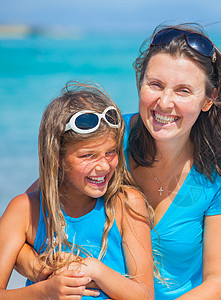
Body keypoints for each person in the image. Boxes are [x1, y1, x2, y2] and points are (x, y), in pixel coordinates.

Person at [17, 23, 221, 299]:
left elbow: (217, 284)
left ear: (209, 99)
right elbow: (25, 219)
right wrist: (39, 269)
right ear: (140, 82)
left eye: (183, 91)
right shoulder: (106, 141)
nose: (164, 102)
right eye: (155, 85)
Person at [1, 82, 155, 299]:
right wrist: (44, 291)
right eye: (88, 155)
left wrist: (93, 269)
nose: (103, 166)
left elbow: (145, 295)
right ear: (58, 158)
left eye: (110, 152)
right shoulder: (24, 211)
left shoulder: (126, 204)